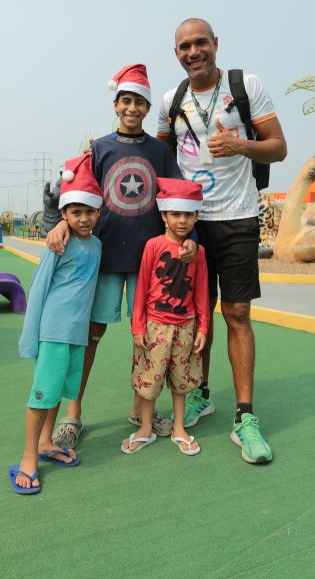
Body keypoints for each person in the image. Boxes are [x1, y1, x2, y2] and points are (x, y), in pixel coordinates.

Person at [157, 18, 287, 464]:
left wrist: (241, 145)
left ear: (215, 44)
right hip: (190, 224)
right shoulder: (170, 101)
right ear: (176, 53)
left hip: (237, 217)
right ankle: (200, 394)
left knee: (236, 313)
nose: (193, 52)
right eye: (184, 46)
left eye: (201, 43)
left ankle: (245, 417)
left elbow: (278, 147)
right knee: (196, 315)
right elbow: (155, 156)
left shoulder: (245, 86)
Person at [46, 64, 195, 449]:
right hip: (105, 259)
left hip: (152, 263)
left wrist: (190, 239)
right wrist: (60, 222)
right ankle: (73, 414)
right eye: (126, 100)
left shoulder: (160, 152)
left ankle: (140, 409)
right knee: (89, 335)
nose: (132, 108)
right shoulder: (98, 149)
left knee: (149, 337)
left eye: (139, 102)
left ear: (147, 107)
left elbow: (178, 197)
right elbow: (76, 194)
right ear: (116, 104)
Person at [9, 154, 102, 494]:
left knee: (60, 389)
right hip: (53, 331)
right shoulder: (57, 244)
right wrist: (30, 335)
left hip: (77, 333)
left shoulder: (97, 245)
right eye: (75, 212)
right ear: (64, 214)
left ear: (99, 212)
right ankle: (28, 457)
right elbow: (38, 288)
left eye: (89, 211)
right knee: (42, 393)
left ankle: (46, 442)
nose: (83, 218)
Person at [123, 178, 210, 456]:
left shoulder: (199, 253)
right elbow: (141, 289)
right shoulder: (153, 246)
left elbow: (201, 292)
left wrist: (203, 328)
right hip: (155, 326)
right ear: (164, 215)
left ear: (196, 217)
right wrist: (138, 326)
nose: (182, 220)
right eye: (176, 214)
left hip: (186, 326)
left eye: (188, 214)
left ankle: (179, 427)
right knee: (149, 379)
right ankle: (145, 427)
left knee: (181, 380)